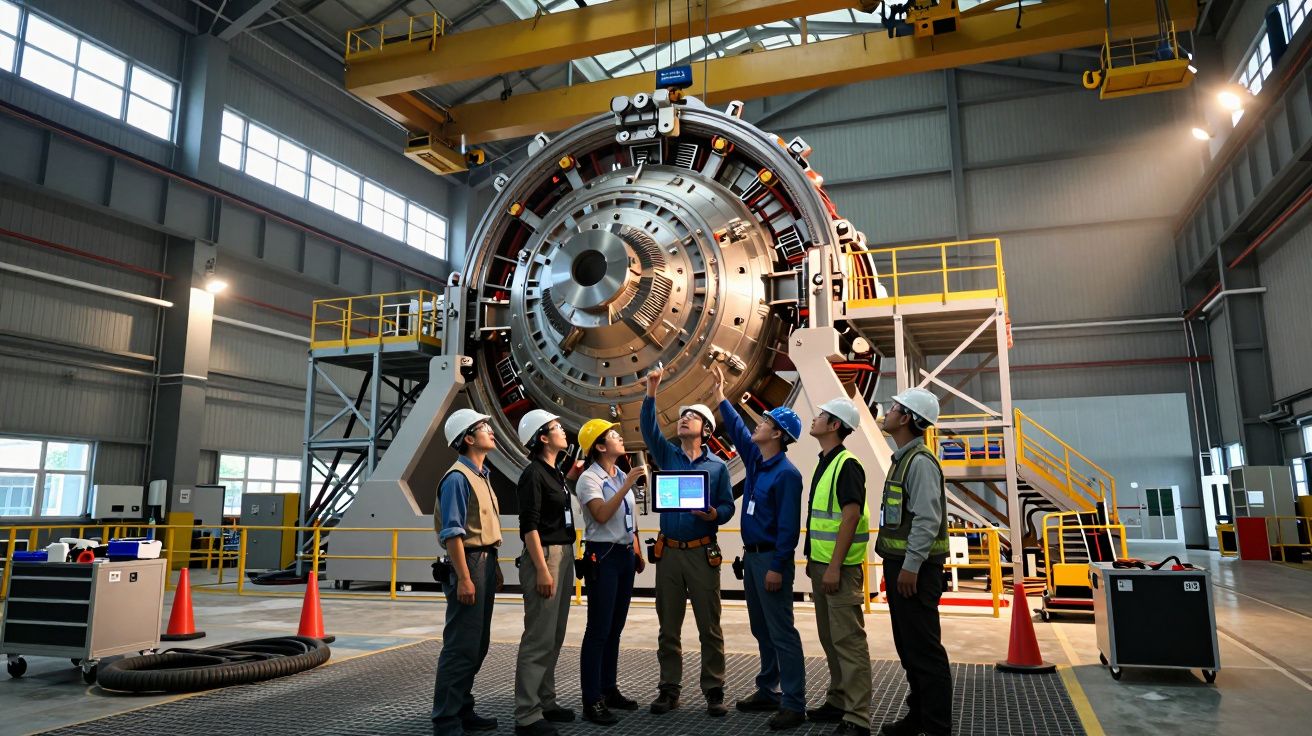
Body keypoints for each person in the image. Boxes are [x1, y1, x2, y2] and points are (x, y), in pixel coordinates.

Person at [710, 366, 807, 730]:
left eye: (765, 423)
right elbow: (735, 428)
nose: (758, 425)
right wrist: (720, 395)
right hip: (751, 557)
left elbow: (788, 529)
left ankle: (794, 703)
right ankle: (769, 689)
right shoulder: (756, 462)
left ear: (777, 435)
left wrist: (778, 567)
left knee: (782, 631)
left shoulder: (787, 475)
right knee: (761, 628)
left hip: (770, 559)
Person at [640, 364, 735, 717]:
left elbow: (726, 506)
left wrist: (714, 515)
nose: (684, 420)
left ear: (706, 430)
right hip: (669, 554)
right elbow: (649, 431)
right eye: (682, 417)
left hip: (701, 553)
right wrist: (651, 391)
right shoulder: (667, 456)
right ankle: (669, 689)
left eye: (692, 417)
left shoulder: (717, 468)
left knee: (709, 626)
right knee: (668, 628)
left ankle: (714, 690)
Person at [874, 388, 953, 736]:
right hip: (902, 566)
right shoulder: (903, 460)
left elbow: (926, 519)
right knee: (909, 649)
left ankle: (937, 727)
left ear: (906, 418)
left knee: (924, 651)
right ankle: (918, 717)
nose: (887, 412)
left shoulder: (919, 462)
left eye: (893, 408)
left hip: (915, 571)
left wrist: (911, 566)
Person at [431, 408, 503, 736]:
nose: (491, 429)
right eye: (483, 426)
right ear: (469, 438)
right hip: (468, 562)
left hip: (484, 561)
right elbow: (453, 533)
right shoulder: (457, 478)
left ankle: (462, 709)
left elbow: (484, 527)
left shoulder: (481, 475)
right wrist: (464, 577)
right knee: (461, 645)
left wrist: (495, 566)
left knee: (478, 644)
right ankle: (446, 721)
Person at [804, 397, 873, 736]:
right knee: (830, 638)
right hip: (822, 565)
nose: (814, 419)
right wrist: (813, 560)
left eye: (820, 416)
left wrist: (832, 567)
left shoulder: (847, 464)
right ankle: (839, 699)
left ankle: (858, 718)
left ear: (834, 426)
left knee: (848, 641)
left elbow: (850, 516)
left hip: (839, 570)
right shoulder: (826, 461)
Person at [574, 418, 648, 725]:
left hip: (624, 555)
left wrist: (638, 549)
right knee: (598, 629)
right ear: (600, 447)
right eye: (614, 435)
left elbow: (629, 516)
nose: (621, 438)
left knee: (615, 628)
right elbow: (602, 515)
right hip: (602, 555)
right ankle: (592, 700)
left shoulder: (618, 473)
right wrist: (628, 484)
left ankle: (609, 688)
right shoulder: (589, 479)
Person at [512, 410, 578, 736]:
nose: (563, 431)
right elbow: (529, 526)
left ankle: (546, 701)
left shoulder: (557, 473)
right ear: (542, 437)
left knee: (554, 636)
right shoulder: (533, 475)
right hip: (546, 557)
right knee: (538, 638)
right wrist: (541, 569)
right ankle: (526, 714)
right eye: (556, 428)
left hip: (563, 556)